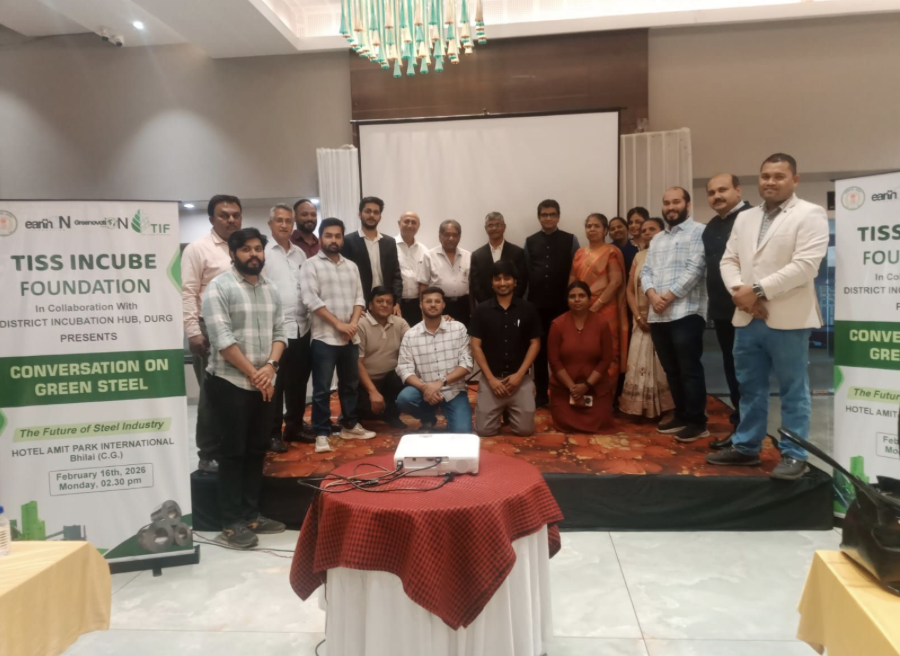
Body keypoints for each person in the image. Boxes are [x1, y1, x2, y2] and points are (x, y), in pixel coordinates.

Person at [708, 153, 829, 480]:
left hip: (788, 320)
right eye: (765, 176)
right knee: (749, 387)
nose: (770, 182)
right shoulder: (745, 218)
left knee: (793, 390)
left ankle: (794, 454)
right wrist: (741, 294)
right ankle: (747, 447)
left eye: (778, 176)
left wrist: (758, 291)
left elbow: (806, 266)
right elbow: (728, 260)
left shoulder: (810, 214)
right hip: (748, 318)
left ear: (795, 180)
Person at [201, 227, 287, 548]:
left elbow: (281, 332)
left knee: (256, 451)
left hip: (263, 382)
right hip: (230, 382)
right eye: (246, 249)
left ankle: (251, 515)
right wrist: (256, 374)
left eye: (258, 249)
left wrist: (270, 367)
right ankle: (231, 522)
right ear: (233, 254)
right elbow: (222, 341)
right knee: (233, 453)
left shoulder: (271, 288)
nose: (254, 255)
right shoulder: (219, 287)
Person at [299, 218, 376, 453]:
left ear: (343, 238)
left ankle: (349, 424)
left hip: (350, 336)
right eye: (329, 235)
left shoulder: (351, 266)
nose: (334, 240)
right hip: (324, 337)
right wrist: (339, 325)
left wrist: (351, 325)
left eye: (338, 236)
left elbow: (360, 298)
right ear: (321, 237)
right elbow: (311, 300)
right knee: (322, 388)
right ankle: (322, 432)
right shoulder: (310, 265)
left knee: (350, 384)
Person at [640, 186, 709, 442]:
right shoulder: (658, 238)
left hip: (686, 311)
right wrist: (652, 296)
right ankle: (681, 414)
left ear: (687, 205)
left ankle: (697, 421)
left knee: (689, 368)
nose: (671, 207)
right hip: (658, 314)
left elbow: (696, 268)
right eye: (667, 203)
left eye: (676, 202)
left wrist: (667, 297)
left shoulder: (699, 231)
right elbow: (646, 271)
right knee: (671, 369)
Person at [182, 194, 243, 473]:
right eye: (224, 215)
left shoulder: (244, 248)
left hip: (240, 328)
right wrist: (193, 332)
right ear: (211, 219)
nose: (231, 220)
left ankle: (230, 449)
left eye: (235, 215)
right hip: (208, 328)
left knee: (237, 393)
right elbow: (188, 292)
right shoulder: (198, 249)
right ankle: (207, 454)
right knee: (211, 394)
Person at [703, 174, 752, 449]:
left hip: (750, 309)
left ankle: (748, 434)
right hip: (723, 312)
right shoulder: (711, 227)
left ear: (738, 190)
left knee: (749, 375)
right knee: (733, 372)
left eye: (723, 190)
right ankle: (740, 430)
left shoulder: (753, 217)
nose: (717, 196)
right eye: (712, 192)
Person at [469, 261, 542, 437]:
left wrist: (519, 376)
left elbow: (535, 343)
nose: (502, 283)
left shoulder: (528, 309)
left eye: (507, 278)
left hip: (520, 379)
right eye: (498, 279)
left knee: (525, 430)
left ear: (515, 282)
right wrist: (491, 379)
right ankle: (501, 409)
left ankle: (509, 409)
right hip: (491, 379)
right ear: (492, 283)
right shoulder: (482, 310)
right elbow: (475, 346)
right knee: (484, 431)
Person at [524, 199, 580, 408]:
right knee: (538, 351)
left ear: (558, 216)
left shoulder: (571, 239)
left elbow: (576, 271)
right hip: (536, 306)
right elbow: (526, 273)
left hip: (563, 306)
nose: (548, 218)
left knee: (565, 351)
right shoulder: (530, 241)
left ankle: (565, 391)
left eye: (552, 214)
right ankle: (541, 395)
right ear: (539, 217)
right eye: (544, 214)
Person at [263, 204, 309, 453]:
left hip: (301, 327)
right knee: (276, 385)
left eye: (288, 221)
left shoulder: (300, 254)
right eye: (279, 220)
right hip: (276, 331)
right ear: (270, 224)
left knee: (298, 382)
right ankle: (272, 433)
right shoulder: (264, 253)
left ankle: (294, 426)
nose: (284, 225)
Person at [619, 218, 675, 419]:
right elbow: (629, 290)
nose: (647, 233)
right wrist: (637, 316)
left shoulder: (671, 255)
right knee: (638, 361)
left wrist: (657, 311)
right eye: (644, 230)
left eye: (652, 229)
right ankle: (638, 408)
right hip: (640, 319)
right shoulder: (639, 256)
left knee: (662, 363)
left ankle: (666, 408)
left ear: (662, 232)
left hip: (662, 315)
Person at [396, 287, 474, 433]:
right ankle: (428, 418)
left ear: (443, 305)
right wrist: (425, 388)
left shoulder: (458, 328)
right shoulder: (411, 335)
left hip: (453, 391)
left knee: (462, 432)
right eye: (428, 301)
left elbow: (467, 364)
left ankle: (452, 418)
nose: (433, 305)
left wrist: (440, 383)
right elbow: (404, 369)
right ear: (421, 305)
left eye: (437, 301)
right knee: (405, 399)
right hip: (423, 391)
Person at [547, 281, 615, 432]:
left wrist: (586, 386)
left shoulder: (602, 324)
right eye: (572, 296)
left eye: (581, 296)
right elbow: (554, 361)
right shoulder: (557, 325)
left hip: (594, 388)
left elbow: (606, 360)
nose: (577, 300)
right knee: (564, 422)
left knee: (601, 421)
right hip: (565, 390)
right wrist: (572, 388)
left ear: (590, 299)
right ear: (567, 300)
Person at [569, 213, 628, 381]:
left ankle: (607, 393)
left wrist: (596, 306)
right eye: (589, 226)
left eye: (596, 226)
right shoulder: (579, 253)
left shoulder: (611, 251)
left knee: (608, 349)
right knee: (584, 349)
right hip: (581, 308)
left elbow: (615, 282)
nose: (592, 229)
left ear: (605, 230)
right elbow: (572, 281)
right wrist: (576, 303)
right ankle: (586, 389)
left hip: (606, 308)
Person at [357, 286, 410, 429]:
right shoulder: (360, 324)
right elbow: (357, 363)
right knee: (365, 408)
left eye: (388, 302)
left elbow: (417, 340)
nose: (384, 305)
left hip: (390, 380)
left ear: (393, 306)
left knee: (402, 375)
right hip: (364, 381)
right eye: (379, 301)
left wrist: (440, 320)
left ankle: (391, 415)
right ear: (370, 305)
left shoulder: (400, 323)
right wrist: (373, 391)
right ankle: (353, 417)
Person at [342, 196, 403, 309]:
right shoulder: (348, 241)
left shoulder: (389, 242)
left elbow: (396, 276)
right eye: (367, 211)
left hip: (386, 303)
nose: (371, 215)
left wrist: (396, 302)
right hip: (360, 304)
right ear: (360, 214)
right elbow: (345, 277)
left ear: (380, 217)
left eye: (376, 212)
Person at [417, 220, 473, 326]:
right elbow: (423, 285)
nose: (451, 238)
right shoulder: (429, 256)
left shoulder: (468, 256)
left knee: (463, 333)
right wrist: (424, 311)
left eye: (454, 235)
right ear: (440, 237)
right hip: (438, 305)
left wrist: (472, 310)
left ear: (459, 237)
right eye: (447, 235)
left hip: (463, 305)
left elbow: (471, 286)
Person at [470, 212, 527, 304]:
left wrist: (510, 302)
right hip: (486, 306)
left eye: (498, 225)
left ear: (504, 227)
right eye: (490, 225)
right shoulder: (477, 255)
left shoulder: (518, 252)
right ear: (485, 228)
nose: (494, 228)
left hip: (513, 305)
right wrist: (487, 305)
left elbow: (522, 281)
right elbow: (476, 285)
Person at [395, 211, 427, 326]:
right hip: (395, 304)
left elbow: (425, 280)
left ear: (418, 225)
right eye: (406, 221)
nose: (410, 225)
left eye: (414, 222)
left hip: (416, 304)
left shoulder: (424, 250)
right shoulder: (389, 245)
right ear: (399, 223)